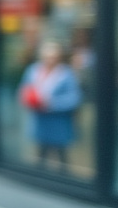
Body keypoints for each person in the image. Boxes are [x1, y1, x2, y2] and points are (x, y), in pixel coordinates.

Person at [19, 40, 82, 172]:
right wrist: (28, 99)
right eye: (47, 57)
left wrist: (51, 103)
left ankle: (64, 180)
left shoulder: (66, 74)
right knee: (41, 154)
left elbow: (74, 99)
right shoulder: (33, 70)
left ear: (59, 57)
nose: (49, 60)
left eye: (53, 57)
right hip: (40, 121)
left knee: (61, 155)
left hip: (58, 122)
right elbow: (24, 89)